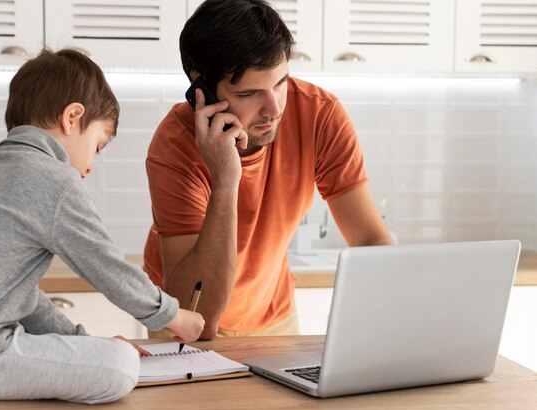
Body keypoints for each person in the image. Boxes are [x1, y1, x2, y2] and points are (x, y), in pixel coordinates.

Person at [0, 48, 204, 404]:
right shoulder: (56, 180)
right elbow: (107, 268)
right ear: (72, 117)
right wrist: (173, 316)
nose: (90, 166)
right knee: (121, 364)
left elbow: (23, 298)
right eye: (97, 145)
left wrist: (81, 343)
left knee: (99, 351)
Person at [143, 0, 394, 340]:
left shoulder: (320, 114)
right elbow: (197, 317)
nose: (274, 109)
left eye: (280, 83)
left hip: (274, 318)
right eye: (249, 93)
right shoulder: (175, 146)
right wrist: (226, 180)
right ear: (200, 87)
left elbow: (370, 239)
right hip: (182, 322)